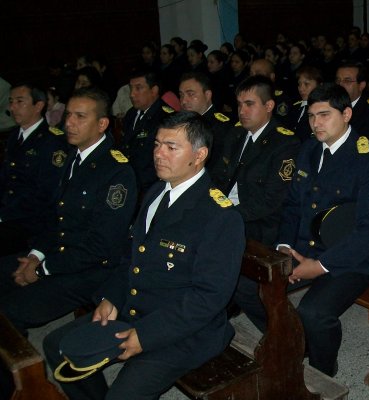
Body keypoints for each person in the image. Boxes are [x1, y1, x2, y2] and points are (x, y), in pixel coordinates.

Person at [43, 111, 245, 400]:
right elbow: (132, 256)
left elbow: (209, 298)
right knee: (57, 345)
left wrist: (145, 336)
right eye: (156, 144)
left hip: (185, 331)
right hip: (137, 307)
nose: (158, 154)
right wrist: (112, 297)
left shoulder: (219, 216)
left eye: (171, 147)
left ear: (199, 155)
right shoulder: (155, 193)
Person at [235, 84, 369, 377]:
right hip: (303, 247)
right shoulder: (308, 149)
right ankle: (295, 340)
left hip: (353, 258)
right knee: (245, 287)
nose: (316, 123)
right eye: (310, 116)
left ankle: (323, 369)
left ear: (346, 114)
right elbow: (293, 206)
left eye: (324, 115)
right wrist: (283, 246)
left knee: (315, 313)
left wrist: (319, 266)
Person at [0, 87, 137, 335]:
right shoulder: (73, 156)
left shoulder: (117, 172)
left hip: (91, 269)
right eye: (69, 115)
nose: (70, 123)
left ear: (102, 123)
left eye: (80, 117)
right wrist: (35, 255)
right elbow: (55, 215)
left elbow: (100, 246)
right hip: (60, 253)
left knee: (12, 310)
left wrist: (43, 269)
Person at [211, 75, 300, 246]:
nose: (242, 111)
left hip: (257, 224)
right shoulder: (236, 134)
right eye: (239, 104)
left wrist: (228, 215)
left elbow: (271, 201)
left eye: (249, 104)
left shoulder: (285, 143)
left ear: (269, 106)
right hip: (224, 214)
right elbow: (217, 178)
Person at [0, 83, 69, 256]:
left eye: (19, 101)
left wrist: (5, 214)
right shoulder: (14, 136)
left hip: (29, 221)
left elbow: (46, 193)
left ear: (38, 105)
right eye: (11, 102)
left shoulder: (52, 141)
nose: (12, 107)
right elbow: (5, 179)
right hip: (9, 213)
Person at [120, 69, 173, 193]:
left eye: (138, 88)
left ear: (154, 91)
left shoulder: (166, 118)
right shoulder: (131, 114)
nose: (132, 94)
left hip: (150, 186)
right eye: (131, 89)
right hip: (128, 179)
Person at [179, 71, 232, 169]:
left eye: (190, 94)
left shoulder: (221, 127)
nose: (183, 101)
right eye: (181, 95)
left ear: (207, 95)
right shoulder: (181, 122)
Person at [335, 61, 369, 138]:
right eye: (338, 80)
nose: (340, 85)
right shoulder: (329, 104)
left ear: (361, 86)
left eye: (347, 81)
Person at [288, 65, 323, 142]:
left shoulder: (321, 110)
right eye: (299, 84)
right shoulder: (295, 106)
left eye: (306, 84)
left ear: (319, 86)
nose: (301, 88)